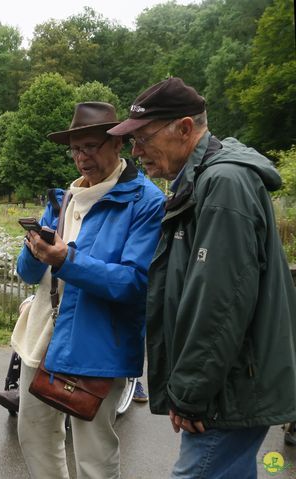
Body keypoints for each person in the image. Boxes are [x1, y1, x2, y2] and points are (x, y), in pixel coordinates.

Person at [107, 76, 296, 478]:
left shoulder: (223, 184)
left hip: (227, 391)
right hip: (228, 383)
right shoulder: (204, 181)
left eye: (143, 137)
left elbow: (221, 302)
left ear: (185, 129)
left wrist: (191, 393)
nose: (136, 151)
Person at [13, 101, 165, 478]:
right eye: (76, 149)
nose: (82, 158)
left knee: (93, 451)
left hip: (98, 341)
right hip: (45, 336)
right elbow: (27, 273)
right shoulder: (63, 198)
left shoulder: (146, 203)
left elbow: (135, 282)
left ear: (118, 143)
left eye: (92, 146)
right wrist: (36, 250)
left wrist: (66, 260)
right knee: (33, 434)